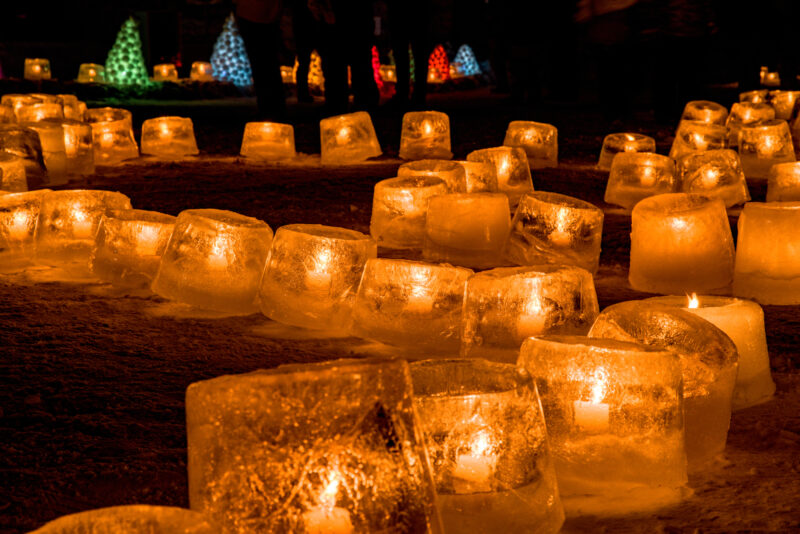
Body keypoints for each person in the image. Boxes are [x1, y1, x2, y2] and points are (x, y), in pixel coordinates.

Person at [236, 0, 286, 120]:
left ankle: (271, 107)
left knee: (264, 65)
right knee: (264, 66)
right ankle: (269, 107)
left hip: (258, 16)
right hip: (259, 15)